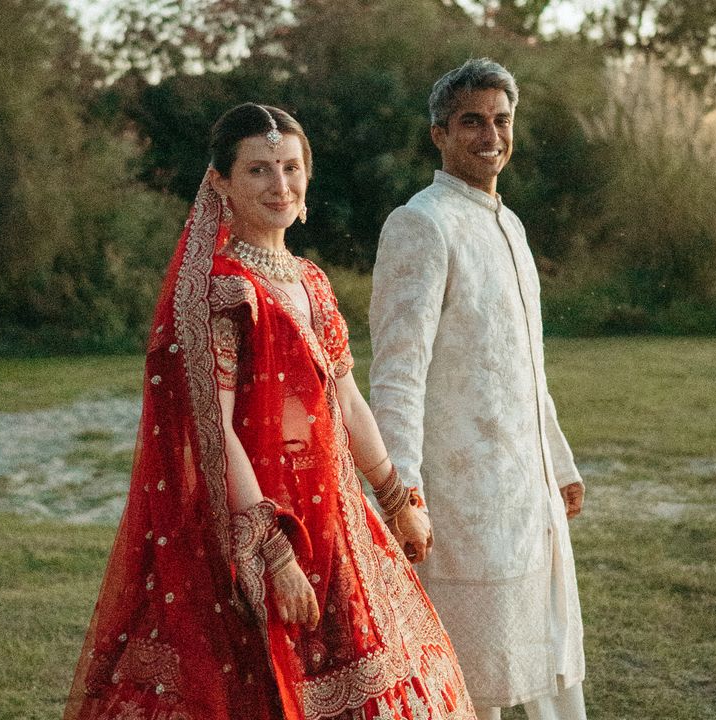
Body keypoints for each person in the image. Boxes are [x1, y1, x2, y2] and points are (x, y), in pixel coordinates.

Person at [63, 103, 475, 720]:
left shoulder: (310, 280)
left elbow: (347, 399)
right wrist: (271, 552)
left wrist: (396, 500)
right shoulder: (223, 291)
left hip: (335, 522)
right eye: (258, 170)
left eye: (290, 167)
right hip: (250, 529)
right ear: (221, 183)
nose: (279, 185)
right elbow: (215, 429)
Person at [369, 59, 588, 720]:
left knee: (545, 659)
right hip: (460, 499)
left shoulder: (510, 226)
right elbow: (397, 374)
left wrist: (561, 461)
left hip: (527, 490)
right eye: (472, 121)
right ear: (440, 133)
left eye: (501, 120)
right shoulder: (423, 223)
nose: (490, 135)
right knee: (467, 676)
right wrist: (402, 491)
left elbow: (525, 366)